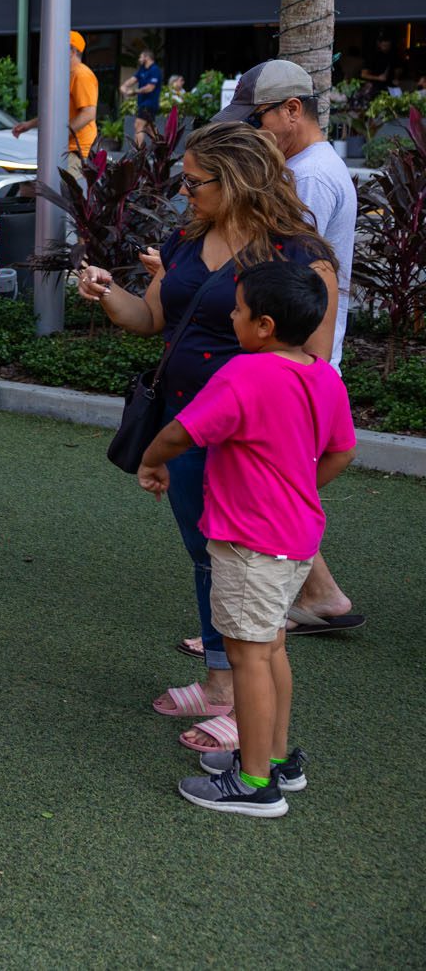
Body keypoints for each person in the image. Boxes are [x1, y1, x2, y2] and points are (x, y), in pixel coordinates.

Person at [75, 123, 337, 754]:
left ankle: (249, 711)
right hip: (185, 424)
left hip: (250, 444)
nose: (183, 193)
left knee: (242, 567)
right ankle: (222, 683)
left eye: (194, 183)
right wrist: (109, 294)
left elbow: (313, 365)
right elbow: (153, 318)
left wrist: (294, 472)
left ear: (237, 180)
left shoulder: (300, 255)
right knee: (207, 556)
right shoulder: (190, 238)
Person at [137, 261, 356, 815]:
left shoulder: (246, 374)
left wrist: (152, 460)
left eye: (236, 310)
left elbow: (183, 430)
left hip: (250, 543)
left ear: (263, 325)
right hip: (294, 539)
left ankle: (255, 783)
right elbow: (342, 450)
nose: (230, 318)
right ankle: (274, 758)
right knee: (270, 648)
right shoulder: (323, 375)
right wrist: (298, 487)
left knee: (247, 656)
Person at [221, 59, 365, 635]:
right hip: (299, 353)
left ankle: (276, 608)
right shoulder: (311, 168)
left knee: (272, 485)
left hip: (296, 354)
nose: (252, 131)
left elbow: (295, 271)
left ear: (292, 110)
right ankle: (318, 594)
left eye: (257, 119)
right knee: (275, 480)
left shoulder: (308, 178)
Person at [11, 29, 100, 161]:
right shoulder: (67, 75)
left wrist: (60, 135)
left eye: (58, 46)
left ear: (72, 52)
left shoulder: (81, 75)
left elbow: (88, 113)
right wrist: (29, 124)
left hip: (77, 151)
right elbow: (56, 115)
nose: (53, 50)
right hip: (67, 149)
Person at [132, 48, 164, 141]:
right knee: (150, 129)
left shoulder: (155, 70)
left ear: (147, 57)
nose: (139, 59)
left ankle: (138, 149)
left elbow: (150, 88)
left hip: (149, 103)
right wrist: (124, 86)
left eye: (141, 57)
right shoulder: (143, 69)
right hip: (143, 103)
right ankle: (161, 147)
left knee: (139, 125)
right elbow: (133, 79)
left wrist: (134, 91)